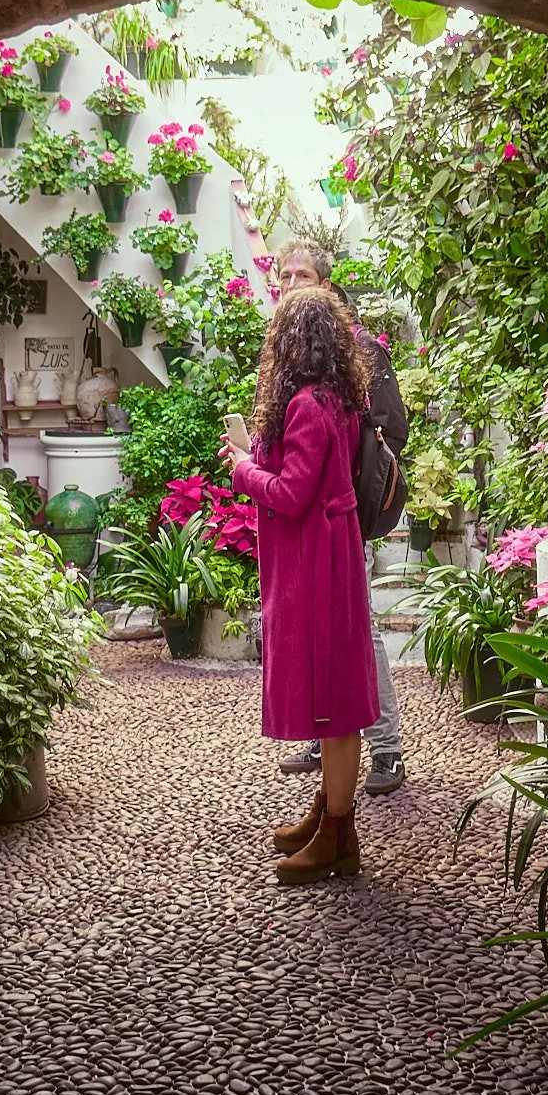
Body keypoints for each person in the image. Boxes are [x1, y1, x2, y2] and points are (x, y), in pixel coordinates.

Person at [227, 286, 378, 884]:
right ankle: (328, 814)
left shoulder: (308, 405)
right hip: (331, 553)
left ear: (290, 344)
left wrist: (242, 469)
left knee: (335, 702)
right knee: (332, 694)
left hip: (317, 561)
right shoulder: (338, 396)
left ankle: (340, 834)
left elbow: (291, 494)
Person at [268, 239, 410, 795]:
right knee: (319, 636)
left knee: (358, 631)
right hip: (308, 516)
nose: (292, 283)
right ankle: (324, 737)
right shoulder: (290, 346)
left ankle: (386, 749)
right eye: (284, 276)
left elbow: (389, 431)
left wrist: (346, 490)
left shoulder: (361, 349)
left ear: (326, 283)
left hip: (343, 512)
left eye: (303, 274)